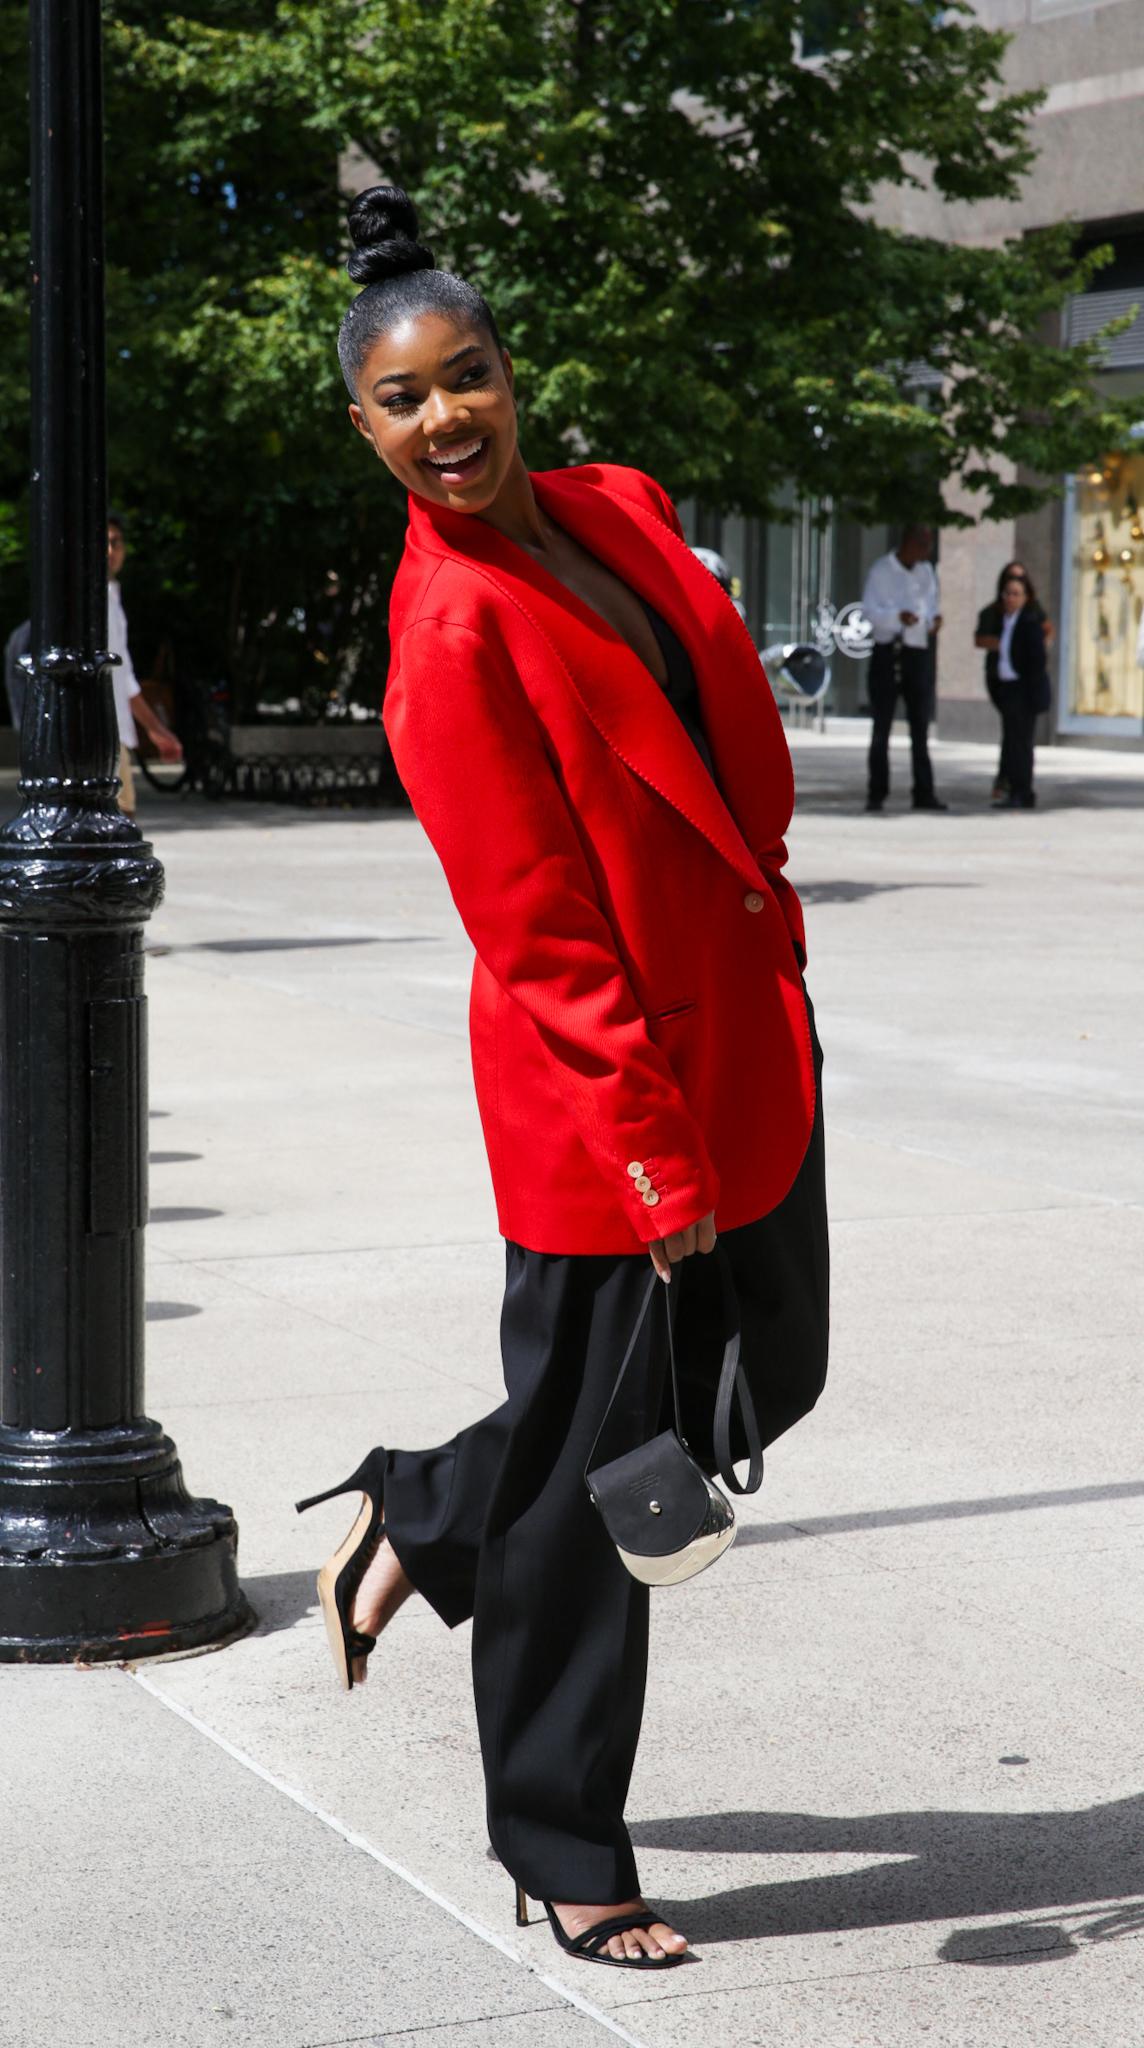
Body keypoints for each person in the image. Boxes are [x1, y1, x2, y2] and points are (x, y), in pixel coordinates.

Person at [294, 185, 828, 1975]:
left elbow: (707, 741)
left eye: (469, 378)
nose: (446, 417)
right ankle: (561, 1837)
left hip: (743, 1030)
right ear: (361, 425)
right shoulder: (441, 643)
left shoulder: (621, 509)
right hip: (605, 1101)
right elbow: (540, 941)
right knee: (605, 1494)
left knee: (780, 1372)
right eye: (403, 399)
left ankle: (424, 1509)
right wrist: (652, 1169)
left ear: (513, 378)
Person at [862, 525, 946, 812]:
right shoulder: (882, 571)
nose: (927, 552)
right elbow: (870, 613)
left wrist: (934, 620)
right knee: (882, 726)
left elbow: (932, 607)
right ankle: (877, 791)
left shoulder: (925, 573)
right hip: (889, 651)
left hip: (917, 652)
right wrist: (898, 618)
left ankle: (924, 791)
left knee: (920, 726)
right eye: (923, 545)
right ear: (910, 543)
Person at [106, 514, 182, 814]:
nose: (110, 552)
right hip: (103, 735)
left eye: (116, 543)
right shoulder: (96, 601)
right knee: (120, 826)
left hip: (113, 734)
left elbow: (124, 678)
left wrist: (156, 729)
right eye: (104, 544)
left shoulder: (111, 599)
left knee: (122, 824)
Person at [974, 562, 1054, 804]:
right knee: (1012, 740)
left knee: (1021, 743)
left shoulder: (1029, 621)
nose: (1010, 598)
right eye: (1007, 593)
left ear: (1026, 596)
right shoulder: (1005, 619)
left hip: (1022, 688)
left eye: (1016, 594)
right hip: (1007, 686)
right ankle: (1013, 788)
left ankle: (1022, 790)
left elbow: (1037, 658)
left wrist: (1029, 687)